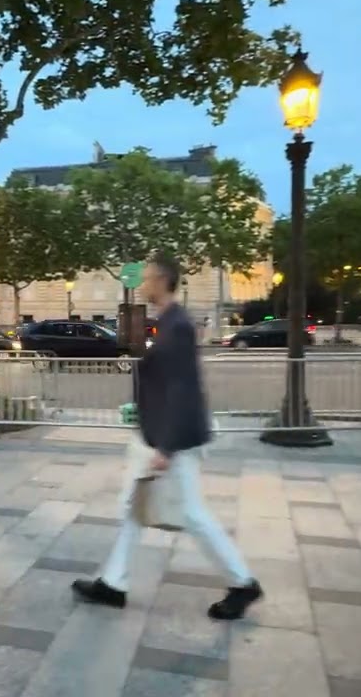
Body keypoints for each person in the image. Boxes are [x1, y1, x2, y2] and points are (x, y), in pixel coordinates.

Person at [72, 253, 263, 621]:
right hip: (160, 434)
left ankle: (242, 583)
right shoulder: (170, 322)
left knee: (191, 514)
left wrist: (167, 447)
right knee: (136, 506)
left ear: (162, 281)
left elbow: (182, 388)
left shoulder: (177, 325)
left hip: (171, 439)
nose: (141, 285)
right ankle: (113, 582)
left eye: (146, 279)